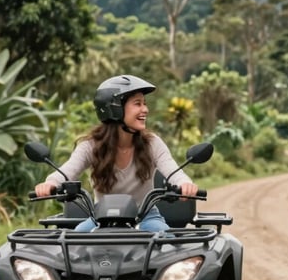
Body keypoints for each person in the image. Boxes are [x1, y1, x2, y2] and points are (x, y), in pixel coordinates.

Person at [33, 74, 198, 232]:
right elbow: (67, 171)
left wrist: (184, 184)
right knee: (75, 243)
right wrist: (51, 183)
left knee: (164, 241)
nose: (145, 109)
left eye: (144, 103)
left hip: (145, 216)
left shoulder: (152, 143)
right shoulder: (90, 146)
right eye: (137, 103)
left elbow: (173, 171)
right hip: (101, 217)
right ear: (115, 108)